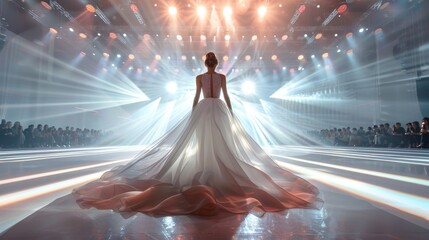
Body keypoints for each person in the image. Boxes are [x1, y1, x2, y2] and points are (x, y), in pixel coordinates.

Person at [73, 52, 322, 216]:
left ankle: (206, 169)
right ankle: (216, 171)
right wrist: (232, 113)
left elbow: (195, 97)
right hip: (218, 108)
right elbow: (226, 97)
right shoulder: (222, 77)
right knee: (222, 142)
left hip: (204, 108)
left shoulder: (200, 77)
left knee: (203, 141)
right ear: (217, 64)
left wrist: (194, 113)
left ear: (206, 63)